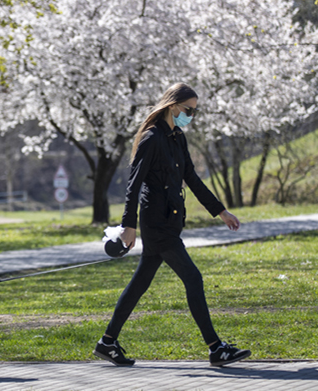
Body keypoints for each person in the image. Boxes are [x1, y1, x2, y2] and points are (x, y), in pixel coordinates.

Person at [93, 83, 251, 367]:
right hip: (157, 224)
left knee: (140, 283)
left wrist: (221, 211)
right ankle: (216, 348)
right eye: (188, 110)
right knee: (193, 278)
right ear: (173, 106)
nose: (191, 115)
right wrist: (128, 225)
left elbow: (192, 178)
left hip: (169, 221)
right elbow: (134, 184)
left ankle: (107, 342)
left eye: (194, 111)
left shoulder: (178, 138)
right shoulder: (151, 138)